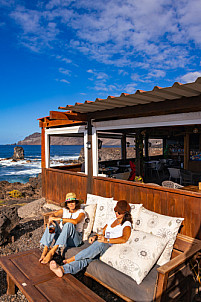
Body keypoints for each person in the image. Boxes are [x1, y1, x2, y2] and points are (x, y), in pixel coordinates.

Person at [49, 199, 132, 277]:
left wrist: (107, 240)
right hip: (101, 244)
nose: (117, 213)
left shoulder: (126, 224)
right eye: (116, 211)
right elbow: (102, 230)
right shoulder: (112, 220)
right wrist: (94, 236)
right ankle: (62, 269)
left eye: (119, 212)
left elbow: (124, 238)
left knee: (100, 243)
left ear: (125, 213)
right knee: (86, 259)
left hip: (109, 246)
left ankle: (73, 258)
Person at [39, 192, 86, 264]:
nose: (71, 204)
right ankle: (45, 249)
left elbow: (76, 221)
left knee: (69, 224)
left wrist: (60, 219)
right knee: (53, 224)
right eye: (69, 202)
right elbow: (53, 214)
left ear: (76, 203)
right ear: (67, 204)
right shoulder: (64, 210)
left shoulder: (81, 212)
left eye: (72, 202)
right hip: (62, 237)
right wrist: (51, 219)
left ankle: (52, 251)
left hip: (74, 240)